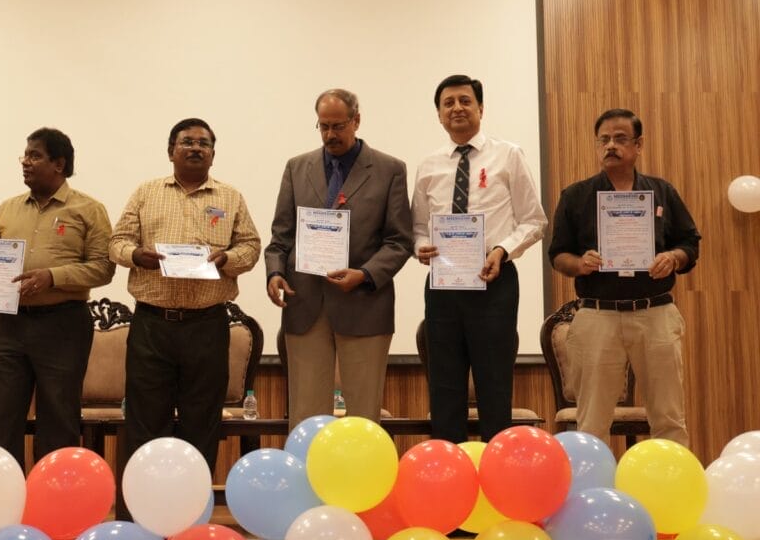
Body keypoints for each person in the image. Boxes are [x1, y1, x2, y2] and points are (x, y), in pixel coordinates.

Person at [109, 117, 260, 480]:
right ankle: (144, 502)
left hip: (207, 325)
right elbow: (117, 243)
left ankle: (194, 503)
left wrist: (227, 259)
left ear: (213, 154)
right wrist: (136, 255)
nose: (195, 148)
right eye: (187, 142)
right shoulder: (146, 193)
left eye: (203, 143)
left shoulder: (230, 197)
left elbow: (251, 247)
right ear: (170, 151)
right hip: (152, 325)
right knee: (145, 421)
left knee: (201, 421)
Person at [0, 127, 114, 469]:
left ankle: (54, 493)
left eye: (35, 156)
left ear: (59, 164)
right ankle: (2, 492)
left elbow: (103, 269)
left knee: (58, 417)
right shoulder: (7, 208)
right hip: (7, 324)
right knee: (2, 417)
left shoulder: (89, 209)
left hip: (62, 325)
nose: (25, 162)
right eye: (25, 155)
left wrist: (52, 277)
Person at [548, 108, 700, 446]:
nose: (610, 146)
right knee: (591, 422)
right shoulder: (576, 196)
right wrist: (580, 263)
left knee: (669, 418)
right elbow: (557, 255)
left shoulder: (662, 192)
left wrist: (673, 258)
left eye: (619, 139)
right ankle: (593, 481)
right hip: (597, 314)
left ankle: (671, 480)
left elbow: (690, 243)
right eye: (603, 140)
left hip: (655, 312)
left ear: (638, 144)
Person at [265, 88, 413, 430]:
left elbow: (399, 241)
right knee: (306, 417)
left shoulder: (390, 169)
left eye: (338, 126)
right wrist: (274, 273)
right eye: (323, 126)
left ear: (356, 121)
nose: (330, 134)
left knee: (362, 417)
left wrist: (365, 274)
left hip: (364, 304)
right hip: (305, 305)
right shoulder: (296, 167)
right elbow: (281, 237)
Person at [412, 74, 547, 443]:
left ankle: (495, 469)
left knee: (494, 384)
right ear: (439, 114)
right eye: (448, 103)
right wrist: (420, 246)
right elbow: (418, 227)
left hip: (495, 282)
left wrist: (502, 250)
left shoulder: (509, 155)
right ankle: (450, 466)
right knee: (444, 387)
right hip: (443, 284)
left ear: (481, 108)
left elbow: (534, 221)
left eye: (465, 101)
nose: (457, 108)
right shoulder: (428, 165)